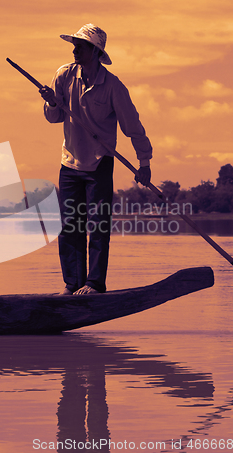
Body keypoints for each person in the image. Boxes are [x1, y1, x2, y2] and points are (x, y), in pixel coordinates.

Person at [39, 24, 152, 295]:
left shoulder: (113, 87)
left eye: (80, 46)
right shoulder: (64, 75)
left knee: (97, 226)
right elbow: (54, 118)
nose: (75, 50)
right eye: (74, 45)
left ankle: (94, 284)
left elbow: (132, 126)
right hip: (70, 162)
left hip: (99, 163)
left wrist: (144, 163)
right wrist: (52, 102)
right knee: (69, 226)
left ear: (95, 51)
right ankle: (72, 284)